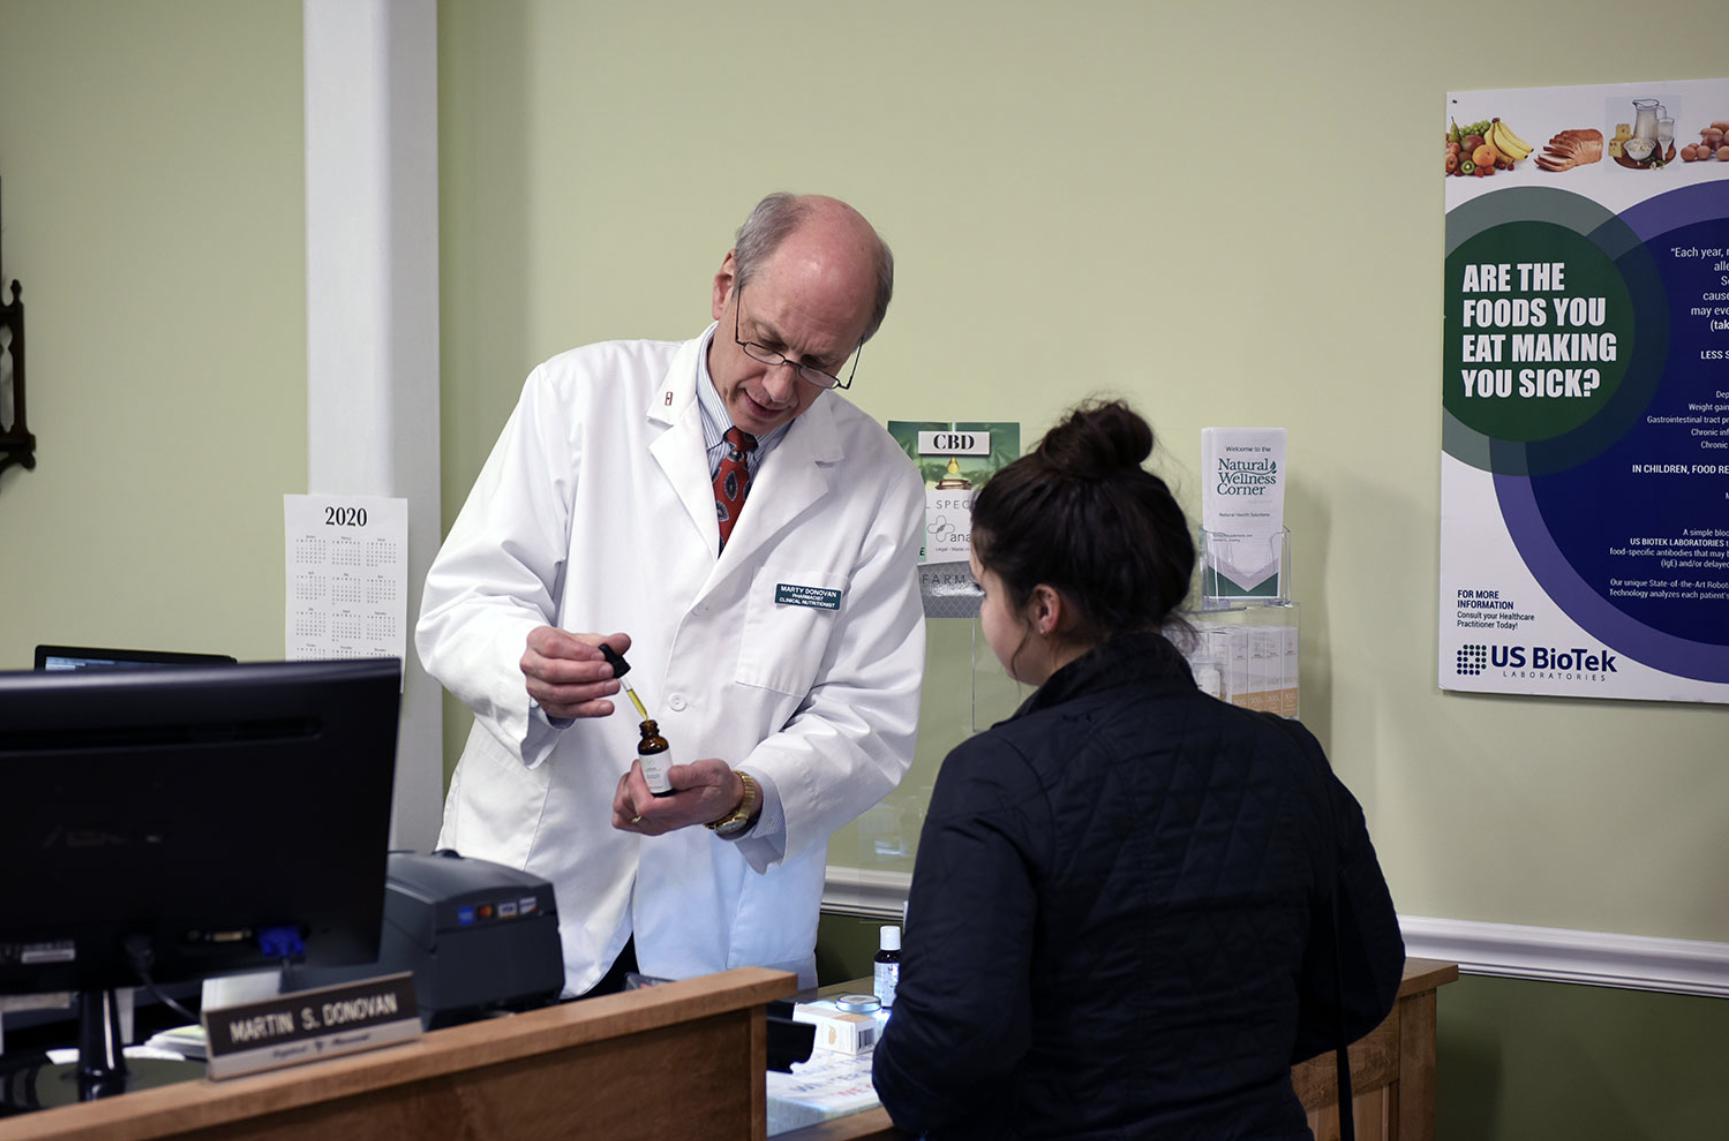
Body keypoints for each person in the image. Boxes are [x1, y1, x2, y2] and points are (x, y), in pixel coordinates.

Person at [416, 193, 926, 998]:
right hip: (538, 882)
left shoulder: (880, 482)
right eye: (765, 341)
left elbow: (868, 719)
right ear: (726, 287)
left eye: (820, 364)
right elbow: (463, 602)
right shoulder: (579, 397)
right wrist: (528, 668)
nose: (778, 385)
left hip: (721, 920)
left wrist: (744, 795)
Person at [872, 401, 1405, 1139]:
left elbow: (946, 1046)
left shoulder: (995, 776)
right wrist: (1216, 1072)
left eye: (984, 587)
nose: (987, 612)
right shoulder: (1289, 756)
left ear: (1044, 607)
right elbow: (1366, 976)